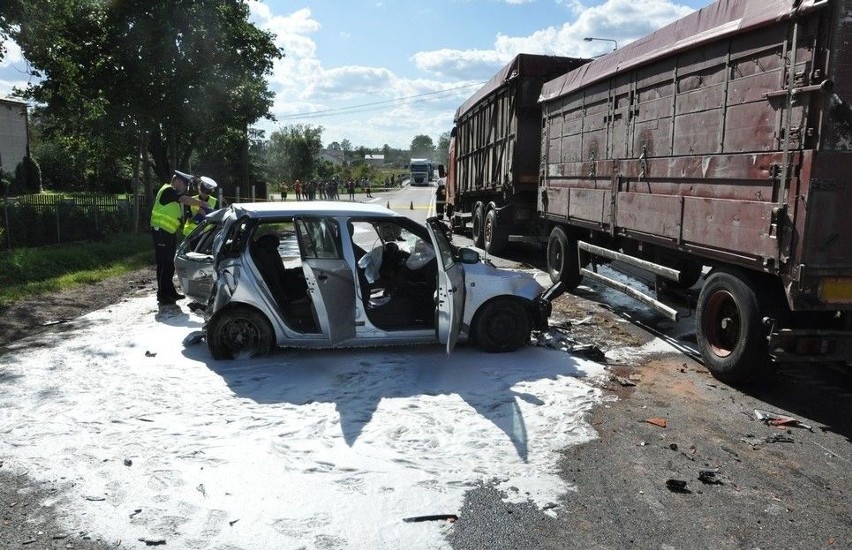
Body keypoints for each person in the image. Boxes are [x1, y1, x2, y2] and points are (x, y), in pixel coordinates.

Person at [150, 170, 212, 306]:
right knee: (164, 263)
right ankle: (162, 295)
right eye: (185, 185)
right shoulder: (168, 190)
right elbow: (185, 199)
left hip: (167, 232)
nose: (185, 188)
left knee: (168, 262)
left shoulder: (172, 192)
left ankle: (170, 291)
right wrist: (202, 204)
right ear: (177, 181)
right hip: (161, 231)